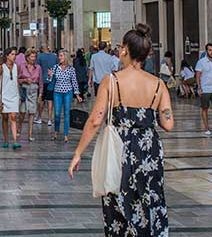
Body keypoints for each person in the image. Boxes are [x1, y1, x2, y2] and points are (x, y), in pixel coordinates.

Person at [69, 24, 173, 237]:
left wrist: (78, 152)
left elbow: (95, 120)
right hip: (149, 151)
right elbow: (168, 124)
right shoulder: (157, 84)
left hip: (121, 149)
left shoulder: (112, 81)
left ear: (125, 50)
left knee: (118, 200)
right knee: (150, 198)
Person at [47, 50, 82, 143]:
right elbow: (50, 80)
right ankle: (56, 131)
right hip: (57, 92)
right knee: (57, 114)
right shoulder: (55, 67)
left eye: (61, 56)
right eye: (59, 56)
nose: (59, 57)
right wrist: (49, 75)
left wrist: (77, 95)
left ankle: (66, 134)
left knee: (67, 113)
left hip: (68, 92)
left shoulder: (71, 69)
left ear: (65, 57)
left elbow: (74, 82)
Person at [0, 47, 20, 149]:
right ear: (7, 56)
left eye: (15, 54)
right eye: (12, 54)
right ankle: (6, 140)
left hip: (13, 95)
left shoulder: (16, 67)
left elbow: (16, 80)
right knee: (4, 118)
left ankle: (15, 141)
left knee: (13, 117)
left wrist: (18, 94)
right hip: (3, 95)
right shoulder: (1, 67)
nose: (14, 56)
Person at [17, 49, 42, 142]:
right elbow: (18, 80)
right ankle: (19, 126)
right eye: (31, 56)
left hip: (34, 90)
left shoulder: (38, 67)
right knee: (22, 112)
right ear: (27, 57)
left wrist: (40, 94)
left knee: (32, 113)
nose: (33, 58)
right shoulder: (22, 66)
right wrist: (24, 80)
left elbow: (40, 81)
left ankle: (30, 133)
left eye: (34, 57)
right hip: (24, 88)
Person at [36, 46, 58, 126]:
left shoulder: (39, 56)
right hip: (52, 80)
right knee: (50, 100)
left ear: (41, 49)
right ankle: (49, 119)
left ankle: (40, 117)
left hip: (42, 80)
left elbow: (37, 68)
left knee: (41, 99)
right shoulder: (55, 56)